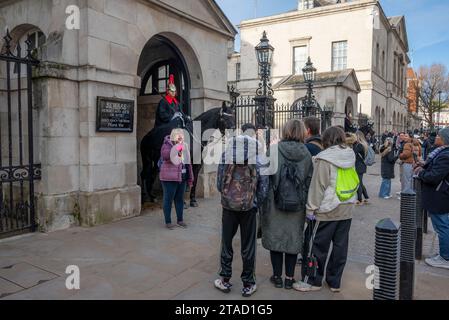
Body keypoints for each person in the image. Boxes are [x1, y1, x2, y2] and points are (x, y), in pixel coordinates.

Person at [293, 126, 356, 292]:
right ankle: (334, 282)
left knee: (315, 246)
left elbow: (317, 187)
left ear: (326, 140)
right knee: (340, 247)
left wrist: (311, 209)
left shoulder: (325, 158)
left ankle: (312, 280)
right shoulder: (350, 154)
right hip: (347, 206)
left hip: (327, 209)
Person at [214, 124, 269, 297]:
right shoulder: (259, 157)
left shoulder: (226, 155)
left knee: (226, 242)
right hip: (249, 208)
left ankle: (224, 279)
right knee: (248, 245)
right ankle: (248, 283)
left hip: (229, 206)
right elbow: (264, 187)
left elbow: (218, 183)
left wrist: (227, 197)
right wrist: (255, 202)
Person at [261, 119, 313, 290]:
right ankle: (290, 279)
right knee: (292, 240)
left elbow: (265, 177)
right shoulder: (306, 153)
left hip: (274, 202)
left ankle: (277, 277)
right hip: (297, 204)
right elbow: (309, 180)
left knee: (275, 238)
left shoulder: (274, 150)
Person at [414, 128, 449, 269]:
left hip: (439, 196)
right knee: (442, 225)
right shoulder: (442, 153)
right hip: (439, 195)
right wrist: (424, 165)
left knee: (442, 227)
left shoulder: (445, 155)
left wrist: (421, 172)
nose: (436, 138)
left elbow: (434, 176)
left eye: (439, 136)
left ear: (444, 139)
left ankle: (445, 258)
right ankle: (443, 253)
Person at [159, 129, 194, 229]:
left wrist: (190, 177)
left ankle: (180, 220)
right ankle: (168, 221)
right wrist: (177, 147)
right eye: (178, 136)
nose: (181, 138)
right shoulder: (167, 144)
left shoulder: (185, 146)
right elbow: (166, 156)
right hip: (169, 178)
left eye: (182, 136)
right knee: (168, 200)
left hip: (182, 177)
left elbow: (188, 163)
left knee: (179, 199)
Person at [353, 131, 370, 205]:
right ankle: (366, 197)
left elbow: (353, 152)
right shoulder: (363, 144)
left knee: (358, 183)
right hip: (361, 165)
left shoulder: (359, 145)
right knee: (360, 182)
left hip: (359, 166)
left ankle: (359, 199)